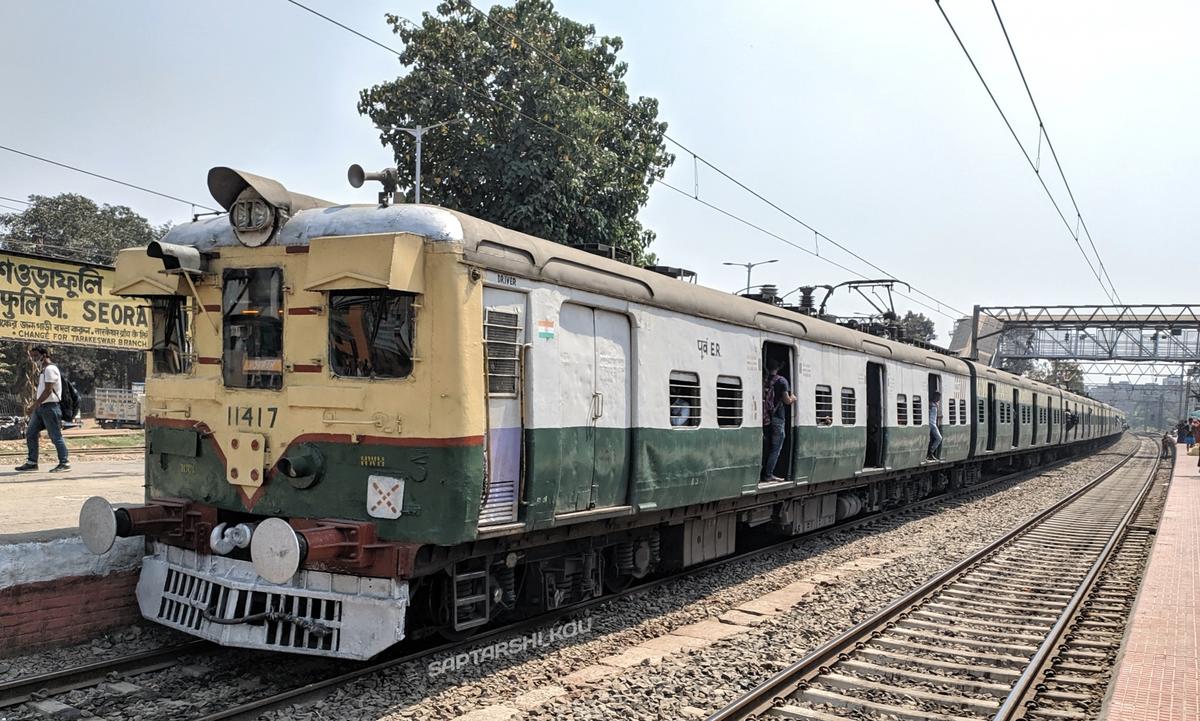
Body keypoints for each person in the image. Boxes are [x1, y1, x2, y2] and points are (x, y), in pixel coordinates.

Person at [15, 345, 70, 472]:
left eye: (35, 356)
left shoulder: (50, 369)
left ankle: (64, 463)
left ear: (44, 355)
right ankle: (32, 462)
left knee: (55, 436)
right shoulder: (43, 370)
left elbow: (48, 391)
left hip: (50, 407)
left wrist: (34, 405)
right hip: (42, 407)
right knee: (31, 433)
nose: (34, 358)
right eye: (32, 356)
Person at [761, 358, 795, 482]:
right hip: (777, 418)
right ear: (779, 367)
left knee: (767, 446)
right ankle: (769, 474)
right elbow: (786, 401)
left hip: (765, 418)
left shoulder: (764, 379)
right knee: (776, 447)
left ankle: (763, 472)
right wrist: (793, 398)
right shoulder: (782, 381)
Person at [927, 391, 943, 461]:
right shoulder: (930, 404)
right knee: (938, 438)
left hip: (933, 424)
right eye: (938, 397)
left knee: (937, 438)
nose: (939, 399)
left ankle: (931, 452)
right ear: (935, 396)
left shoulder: (934, 404)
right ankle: (930, 453)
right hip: (930, 424)